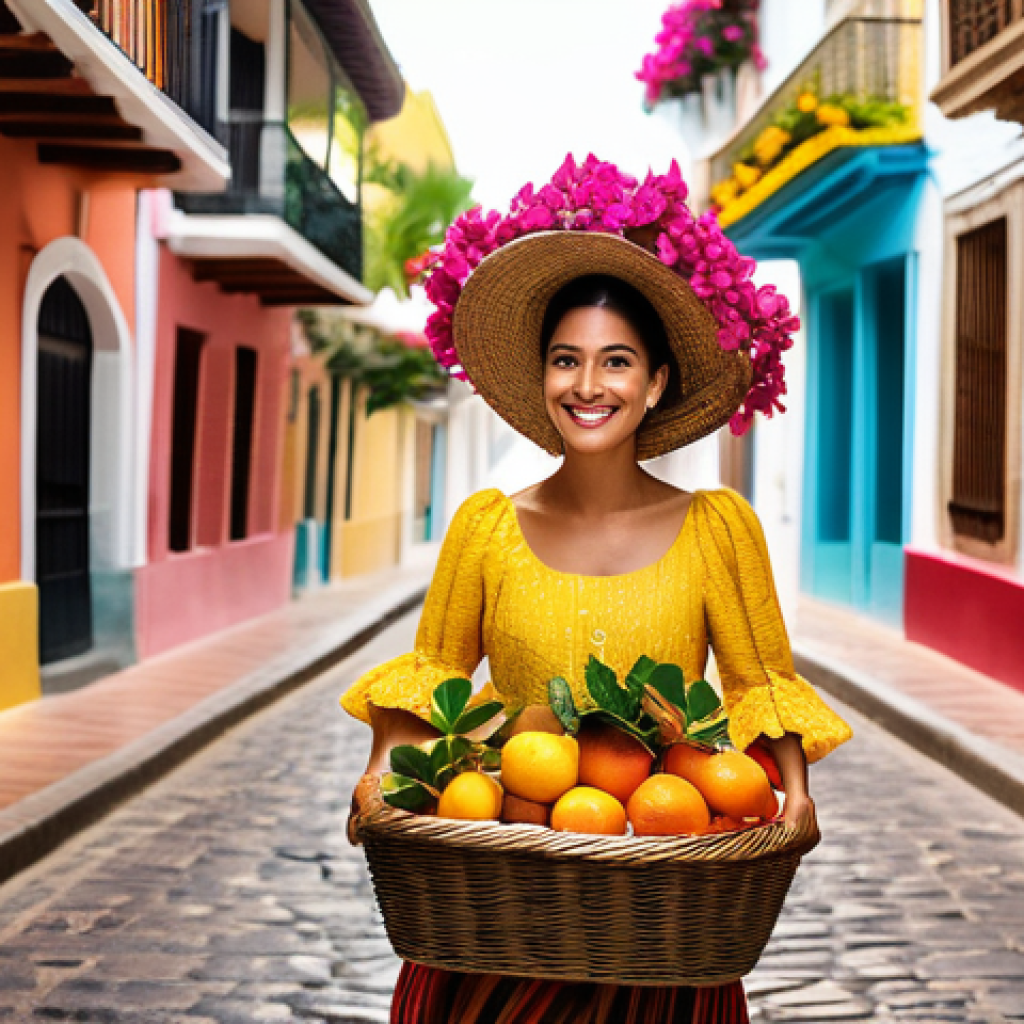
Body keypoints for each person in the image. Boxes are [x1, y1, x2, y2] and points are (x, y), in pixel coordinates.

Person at [341, 156, 852, 1024]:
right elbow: (432, 673)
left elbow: (760, 681)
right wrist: (381, 773)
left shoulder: (718, 528)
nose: (587, 385)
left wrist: (795, 795)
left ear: (654, 383)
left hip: (662, 916)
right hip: (498, 906)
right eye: (565, 360)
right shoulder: (485, 526)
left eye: (616, 362)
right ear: (542, 378)